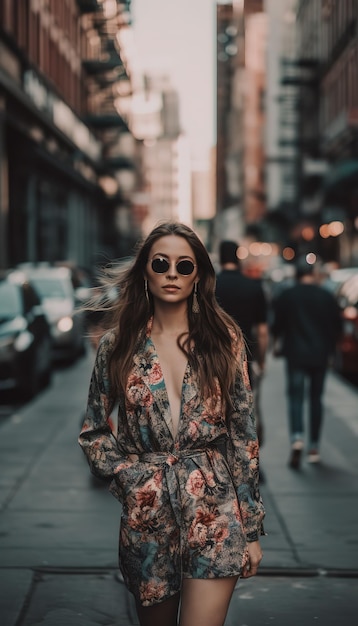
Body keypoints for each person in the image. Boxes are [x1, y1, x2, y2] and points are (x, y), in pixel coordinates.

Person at [79, 222, 265, 626]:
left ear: (199, 275)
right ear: (145, 270)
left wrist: (250, 528)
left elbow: (243, 435)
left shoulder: (223, 337)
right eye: (161, 263)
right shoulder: (118, 344)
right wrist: (129, 479)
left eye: (185, 266)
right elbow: (94, 430)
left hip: (214, 510)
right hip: (147, 517)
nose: (171, 274)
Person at [271, 256, 342, 470]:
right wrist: (331, 351)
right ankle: (314, 448)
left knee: (295, 397)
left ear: (296, 274)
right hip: (319, 355)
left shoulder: (287, 296)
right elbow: (336, 328)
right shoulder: (326, 296)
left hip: (295, 354)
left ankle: (297, 437)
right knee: (316, 399)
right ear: (313, 274)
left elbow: (277, 326)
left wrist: (276, 344)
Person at [215, 240, 269, 447]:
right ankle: (250, 459)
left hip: (215, 359)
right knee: (246, 410)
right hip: (245, 358)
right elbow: (262, 332)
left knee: (217, 411)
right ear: (237, 256)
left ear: (220, 257)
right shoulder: (254, 287)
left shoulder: (210, 286)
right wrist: (261, 361)